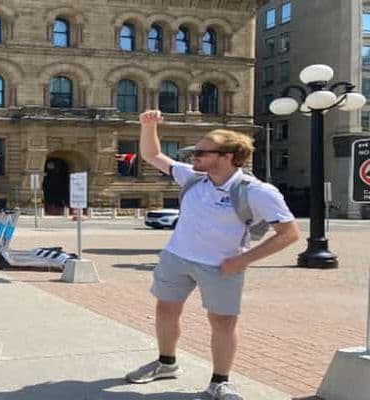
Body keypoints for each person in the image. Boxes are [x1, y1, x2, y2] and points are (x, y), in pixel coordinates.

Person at [125, 110, 300, 400]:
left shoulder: (258, 192)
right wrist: (148, 125)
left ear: (228, 156)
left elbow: (289, 233)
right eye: (194, 152)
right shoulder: (194, 178)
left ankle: (220, 382)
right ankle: (166, 363)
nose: (193, 156)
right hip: (176, 257)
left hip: (222, 266)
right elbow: (152, 155)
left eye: (201, 152)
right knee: (165, 310)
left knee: (222, 323)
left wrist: (243, 260)